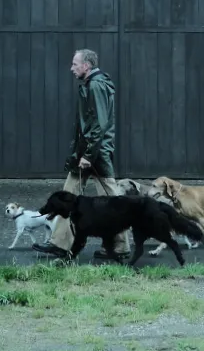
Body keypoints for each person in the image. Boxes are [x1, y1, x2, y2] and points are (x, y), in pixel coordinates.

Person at [34, 49, 131, 261]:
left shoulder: (95, 86)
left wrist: (88, 154)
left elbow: (99, 123)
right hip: (89, 151)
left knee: (111, 199)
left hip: (95, 153)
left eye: (75, 64)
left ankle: (120, 246)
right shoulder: (92, 84)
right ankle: (60, 243)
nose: (72, 68)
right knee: (70, 194)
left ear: (86, 65)